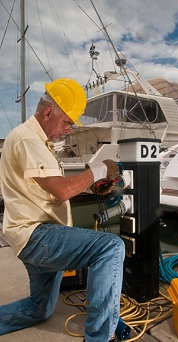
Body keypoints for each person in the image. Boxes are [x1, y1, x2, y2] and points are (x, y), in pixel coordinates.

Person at [0, 78, 125, 342]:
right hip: (38, 236)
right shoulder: (26, 139)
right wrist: (98, 170)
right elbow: (63, 191)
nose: (69, 129)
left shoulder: (36, 142)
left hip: (31, 238)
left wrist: (92, 184)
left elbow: (52, 189)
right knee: (110, 247)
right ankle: (99, 338)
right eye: (67, 121)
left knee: (39, 309)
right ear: (48, 112)